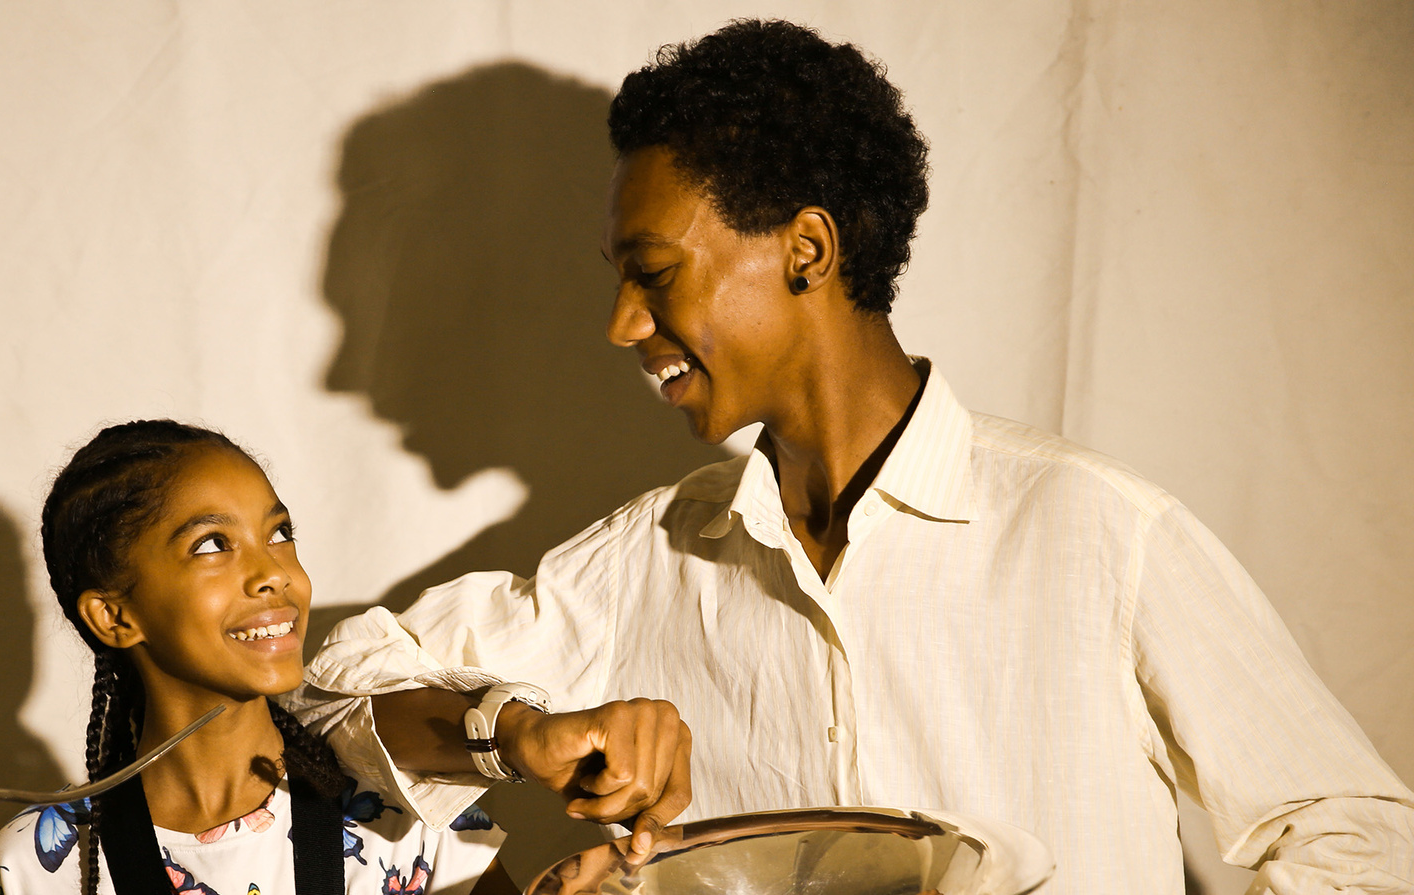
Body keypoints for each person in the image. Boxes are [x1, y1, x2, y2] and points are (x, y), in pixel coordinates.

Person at [290, 19, 1414, 895]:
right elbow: (332, 698)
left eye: (652, 270)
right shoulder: (645, 563)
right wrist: (518, 729)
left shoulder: (1101, 534)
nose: (621, 326)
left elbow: (1355, 834)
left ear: (808, 251)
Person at [0, 420, 529, 895]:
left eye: (280, 533)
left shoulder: (408, 814)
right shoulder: (39, 865)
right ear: (115, 617)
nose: (275, 573)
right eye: (213, 544)